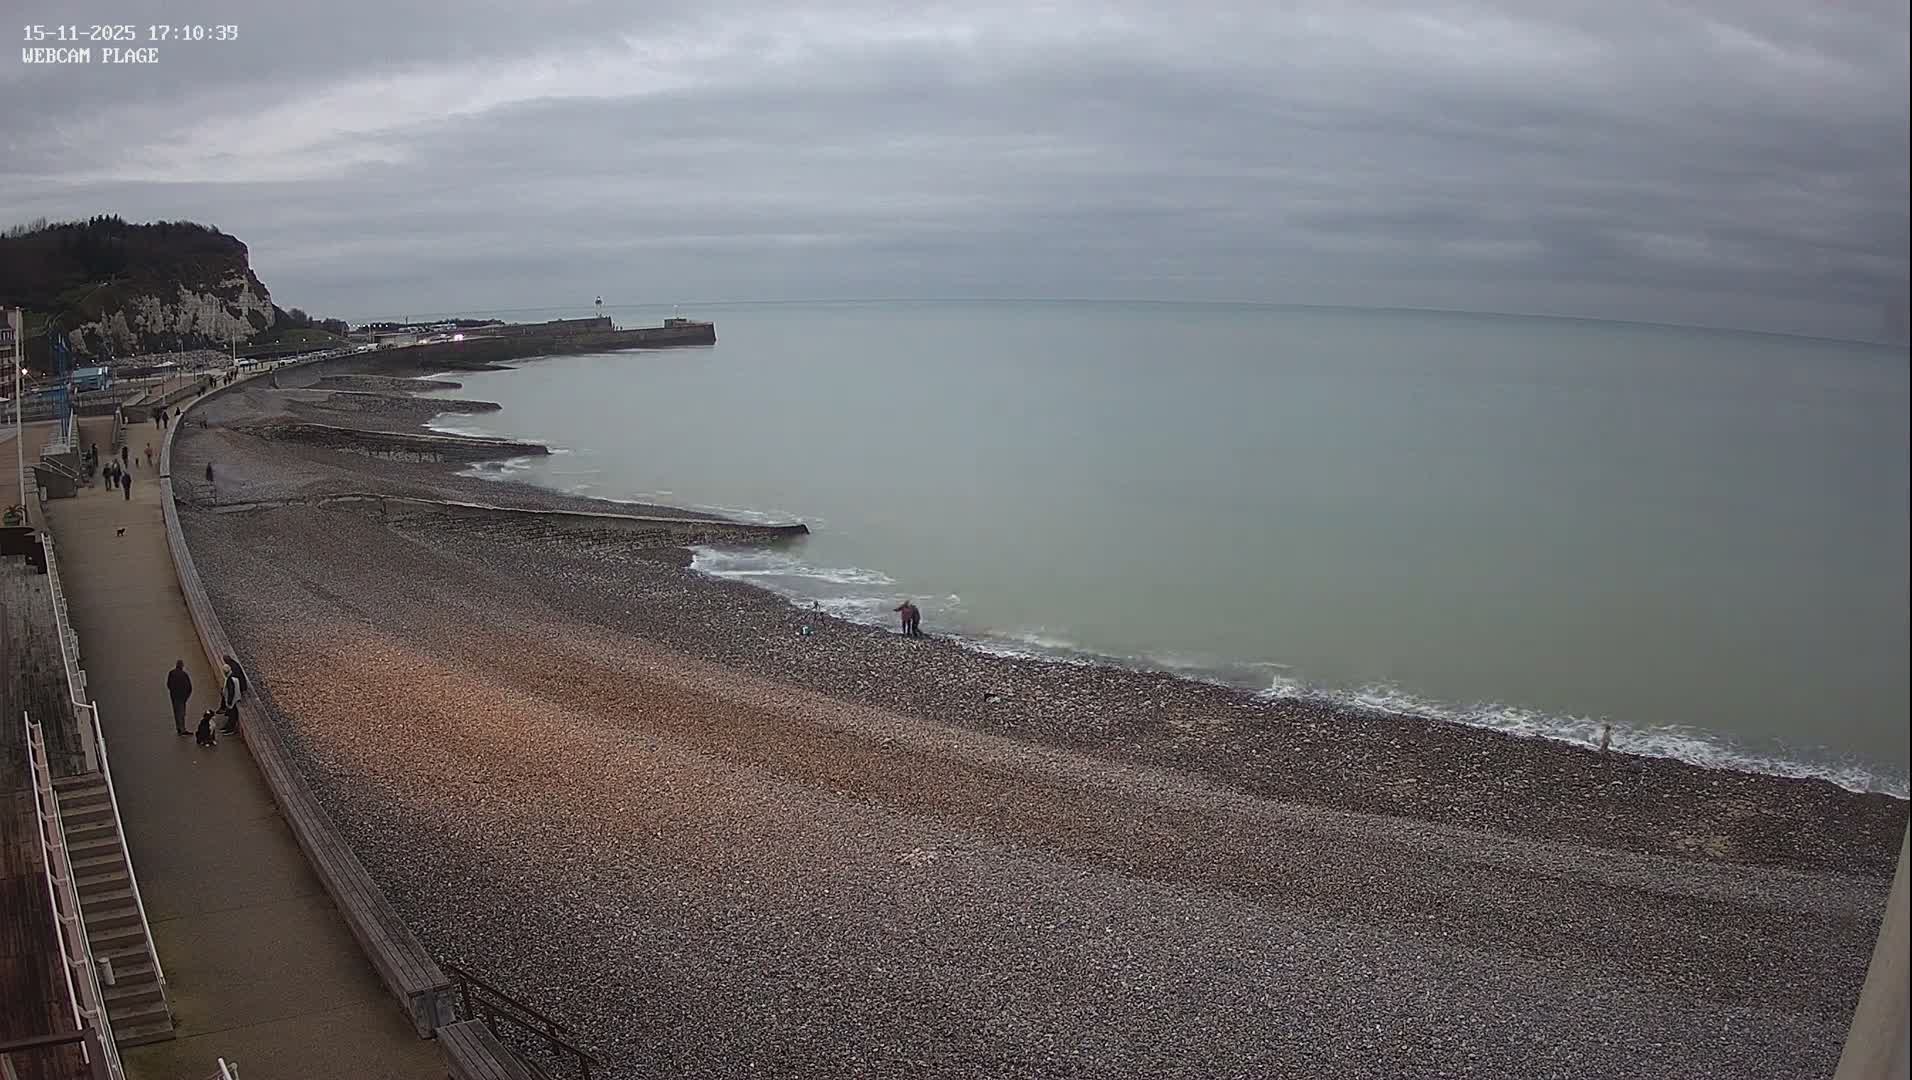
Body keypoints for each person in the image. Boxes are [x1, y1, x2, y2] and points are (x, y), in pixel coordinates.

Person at [219, 655, 249, 735]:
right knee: (231, 713)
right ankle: (228, 726)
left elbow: (231, 691)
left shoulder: (231, 679)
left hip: (233, 700)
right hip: (235, 697)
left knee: (232, 714)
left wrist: (229, 701)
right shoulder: (232, 676)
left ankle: (230, 729)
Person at [167, 660, 193, 736]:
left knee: (176, 712)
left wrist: (172, 692)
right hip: (181, 697)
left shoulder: (171, 673)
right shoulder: (184, 675)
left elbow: (168, 684)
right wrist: (186, 697)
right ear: (182, 666)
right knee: (181, 713)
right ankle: (183, 729)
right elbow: (189, 687)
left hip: (174, 696)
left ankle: (178, 728)